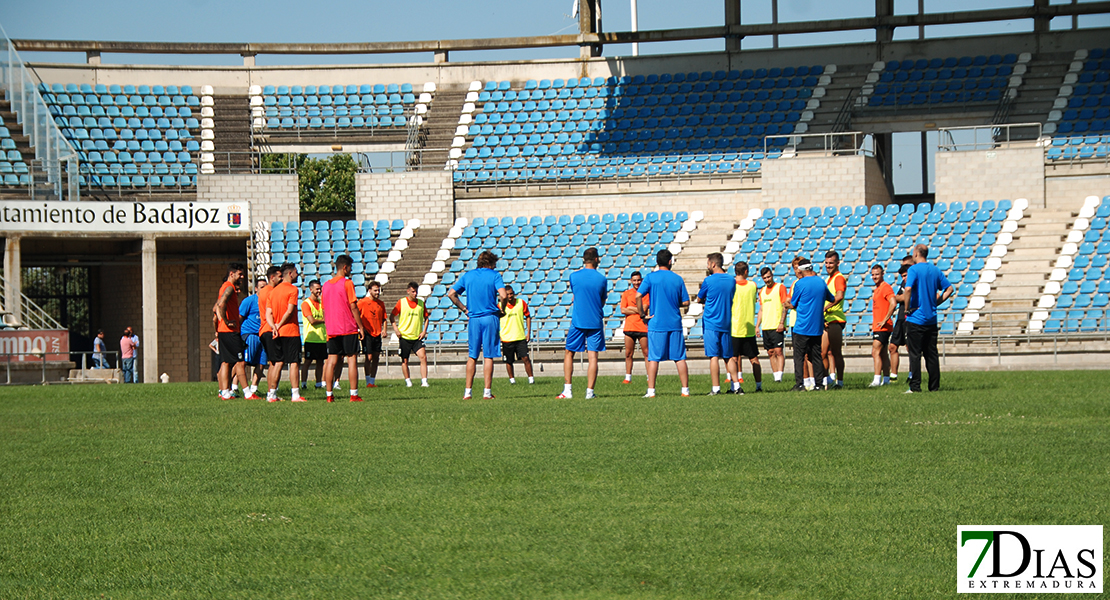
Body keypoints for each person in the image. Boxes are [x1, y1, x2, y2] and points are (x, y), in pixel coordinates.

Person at [447, 250, 508, 400]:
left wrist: (464, 309)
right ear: (490, 264)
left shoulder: (468, 275)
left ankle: (467, 392)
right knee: (488, 355)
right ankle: (487, 392)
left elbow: (451, 294)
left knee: (472, 356)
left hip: (473, 318)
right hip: (489, 317)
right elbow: (504, 295)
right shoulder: (494, 275)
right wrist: (503, 308)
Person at [636, 249, 690, 398]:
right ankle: (685, 390)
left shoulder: (650, 278)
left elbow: (638, 295)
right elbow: (686, 302)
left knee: (653, 357)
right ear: (670, 261)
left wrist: (642, 314)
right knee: (679, 358)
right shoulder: (677, 279)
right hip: (674, 322)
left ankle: (651, 391)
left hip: (656, 322)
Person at [557, 247, 608, 399]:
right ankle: (589, 392)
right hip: (595, 321)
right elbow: (602, 301)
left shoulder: (574, 276)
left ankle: (567, 390)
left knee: (569, 353)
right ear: (597, 259)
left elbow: (576, 294)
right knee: (593, 357)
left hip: (578, 320)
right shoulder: (601, 279)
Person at [904, 244, 954, 393]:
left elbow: (908, 289)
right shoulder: (935, 270)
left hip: (916, 318)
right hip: (931, 319)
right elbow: (949, 289)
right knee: (931, 354)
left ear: (917, 253)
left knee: (915, 354)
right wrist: (937, 303)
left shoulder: (913, 269)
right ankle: (934, 387)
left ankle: (915, 386)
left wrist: (907, 308)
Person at [784, 257, 834, 392]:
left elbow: (793, 303)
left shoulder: (800, 284)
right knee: (816, 356)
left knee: (799, 357)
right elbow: (832, 298)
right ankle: (819, 384)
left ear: (801, 270)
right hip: (816, 326)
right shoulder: (821, 282)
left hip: (802, 326)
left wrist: (787, 305)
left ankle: (799, 384)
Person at [322, 254, 365, 402]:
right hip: (347, 327)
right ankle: (353, 394)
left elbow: (324, 309)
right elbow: (353, 306)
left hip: (332, 328)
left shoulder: (326, 285)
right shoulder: (347, 283)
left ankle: (329, 395)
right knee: (352, 359)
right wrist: (360, 327)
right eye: (350, 268)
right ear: (345, 267)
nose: (351, 271)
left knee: (331, 361)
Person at [696, 253, 737, 395]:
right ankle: (736, 385)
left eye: (708, 263)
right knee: (728, 356)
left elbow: (699, 298)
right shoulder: (732, 280)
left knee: (713, 356)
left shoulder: (708, 281)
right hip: (725, 321)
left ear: (713, 264)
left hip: (711, 322)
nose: (707, 266)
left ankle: (715, 388)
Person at [213, 263, 254, 400]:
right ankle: (247, 393)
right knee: (240, 362)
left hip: (223, 331)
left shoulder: (224, 287)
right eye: (240, 274)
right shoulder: (229, 287)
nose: (242, 277)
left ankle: (224, 392)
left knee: (226, 362)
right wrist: (227, 321)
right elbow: (220, 304)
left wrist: (219, 325)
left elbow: (215, 308)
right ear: (232, 274)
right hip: (230, 331)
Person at [266, 263, 303, 402]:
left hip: (276, 332)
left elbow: (268, 313)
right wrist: (280, 324)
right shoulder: (292, 290)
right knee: (294, 362)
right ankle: (295, 394)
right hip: (290, 331)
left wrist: (274, 327)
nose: (297, 275)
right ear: (290, 273)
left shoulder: (273, 291)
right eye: (296, 272)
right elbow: (290, 311)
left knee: (278, 362)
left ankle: (272, 394)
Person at [728, 261, 762, 393]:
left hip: (735, 327)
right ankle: (758, 385)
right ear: (746, 271)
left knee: (733, 358)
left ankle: (735, 386)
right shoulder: (753, 285)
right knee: (754, 358)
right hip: (749, 328)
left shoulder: (731, 285)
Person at [391, 282, 431, 388]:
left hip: (417, 337)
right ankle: (408, 381)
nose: (415, 293)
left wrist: (424, 331)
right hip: (404, 336)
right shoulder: (402, 302)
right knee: (404, 360)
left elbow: (426, 318)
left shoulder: (421, 303)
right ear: (408, 291)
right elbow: (392, 316)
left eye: (416, 291)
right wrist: (396, 329)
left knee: (423, 357)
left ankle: (424, 381)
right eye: (413, 291)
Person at [238, 275, 269, 397]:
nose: (263, 289)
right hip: (250, 334)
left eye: (265, 287)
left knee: (261, 363)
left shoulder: (268, 301)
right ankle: (233, 386)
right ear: (256, 288)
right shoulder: (249, 301)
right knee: (244, 362)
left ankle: (254, 388)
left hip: (263, 334)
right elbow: (240, 317)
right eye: (261, 287)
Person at [756, 267, 788, 383]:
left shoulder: (780, 287)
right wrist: (757, 326)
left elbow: (785, 305)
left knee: (778, 351)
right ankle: (775, 375)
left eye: (768, 277)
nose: (767, 279)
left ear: (772, 276)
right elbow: (761, 310)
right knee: (770, 352)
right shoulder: (762, 291)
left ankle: (779, 375)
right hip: (766, 326)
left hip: (776, 325)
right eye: (764, 278)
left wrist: (782, 323)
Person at [869, 264, 898, 387]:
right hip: (879, 326)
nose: (875, 276)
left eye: (877, 274)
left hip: (883, 326)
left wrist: (886, 319)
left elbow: (893, 302)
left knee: (875, 351)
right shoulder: (877, 289)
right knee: (882, 353)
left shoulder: (885, 288)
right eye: (873, 274)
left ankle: (876, 379)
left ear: (882, 274)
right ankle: (886, 379)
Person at [499, 284, 534, 384]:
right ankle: (512, 380)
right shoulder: (500, 306)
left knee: (525, 358)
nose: (510, 296)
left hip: (520, 337)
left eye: (511, 294)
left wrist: (528, 332)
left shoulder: (521, 303)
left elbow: (528, 316)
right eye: (508, 294)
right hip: (507, 338)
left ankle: (531, 379)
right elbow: (496, 320)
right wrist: (499, 334)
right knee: (509, 361)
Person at [822, 251, 847, 389]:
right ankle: (826, 380)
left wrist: (826, 308)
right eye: (826, 263)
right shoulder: (828, 279)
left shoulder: (838, 278)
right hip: (827, 320)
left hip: (835, 319)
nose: (828, 265)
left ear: (837, 263)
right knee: (823, 352)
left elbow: (839, 295)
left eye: (831, 263)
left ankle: (840, 381)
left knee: (836, 352)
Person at [620, 271, 649, 384]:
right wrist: (638, 309)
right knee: (628, 353)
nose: (636, 282)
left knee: (646, 353)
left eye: (638, 280)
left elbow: (644, 309)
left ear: (641, 280)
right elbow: (623, 310)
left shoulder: (645, 294)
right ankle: (628, 377)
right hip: (630, 326)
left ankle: (648, 376)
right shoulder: (626, 294)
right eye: (634, 280)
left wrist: (630, 308)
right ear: (631, 281)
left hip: (642, 326)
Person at [357, 281, 387, 388]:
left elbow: (384, 318)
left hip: (377, 333)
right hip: (367, 333)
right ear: (369, 291)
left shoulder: (380, 303)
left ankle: (373, 381)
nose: (377, 292)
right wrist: (360, 328)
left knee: (376, 357)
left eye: (378, 290)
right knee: (368, 356)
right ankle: (367, 380)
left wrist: (384, 330)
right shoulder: (362, 302)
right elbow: (355, 315)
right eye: (375, 290)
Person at [888, 255, 914, 382]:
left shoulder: (915, 280)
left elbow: (907, 297)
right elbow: (897, 298)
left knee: (911, 347)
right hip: (900, 317)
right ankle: (893, 376)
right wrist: (903, 297)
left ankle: (912, 374)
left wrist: (904, 297)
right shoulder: (904, 282)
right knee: (892, 346)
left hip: (911, 317)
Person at [256, 266, 282, 390]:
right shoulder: (271, 292)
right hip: (269, 329)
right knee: (277, 362)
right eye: (280, 276)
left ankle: (271, 390)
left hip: (263, 329)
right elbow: (271, 311)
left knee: (272, 362)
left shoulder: (263, 291)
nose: (282, 279)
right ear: (272, 277)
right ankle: (272, 391)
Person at [300, 279, 328, 389]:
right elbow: (312, 320)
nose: (319, 291)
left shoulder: (321, 303)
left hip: (321, 338)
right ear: (311, 290)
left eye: (320, 289)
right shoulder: (306, 304)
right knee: (307, 362)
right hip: (311, 338)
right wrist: (324, 320)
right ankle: (303, 383)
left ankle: (318, 383)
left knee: (320, 362)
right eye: (317, 289)